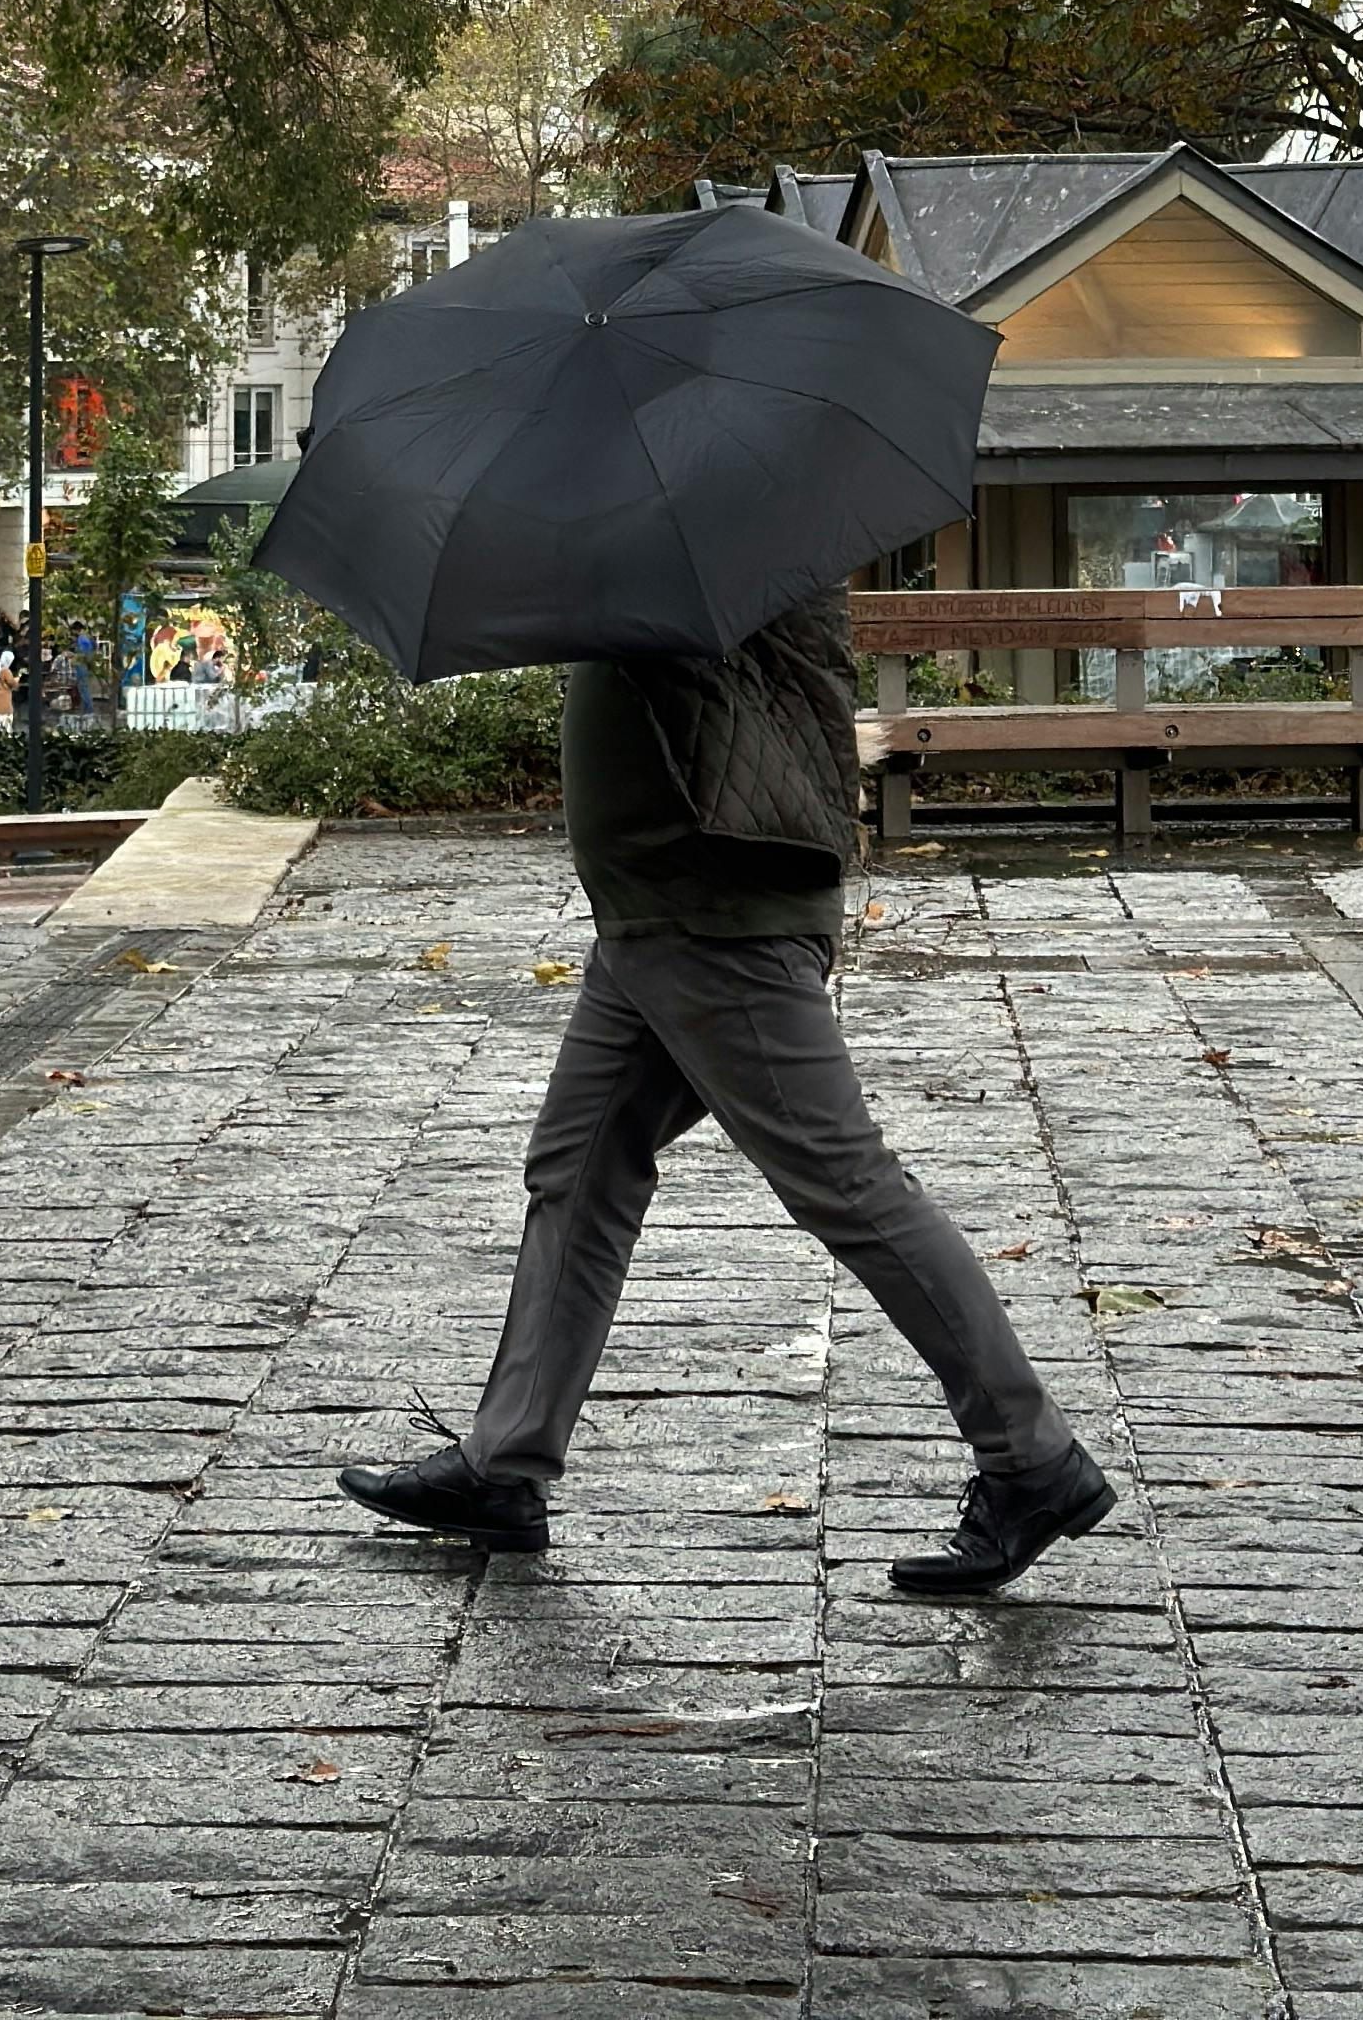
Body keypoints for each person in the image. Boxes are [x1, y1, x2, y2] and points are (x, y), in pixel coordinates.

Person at [336, 589, 1112, 1599]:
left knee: (847, 1181)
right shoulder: (667, 517)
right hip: (655, 916)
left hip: (717, 917)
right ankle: (505, 1462)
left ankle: (1032, 1458)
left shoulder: (715, 534)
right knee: (579, 1165)